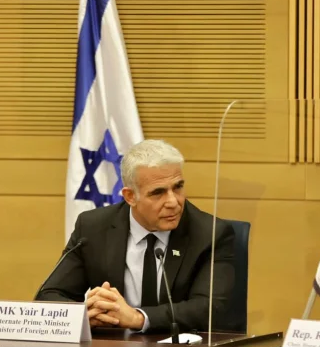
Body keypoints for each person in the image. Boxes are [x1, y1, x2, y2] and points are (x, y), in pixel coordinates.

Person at [35, 139, 235, 332]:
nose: (173, 202)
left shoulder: (211, 234)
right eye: (158, 193)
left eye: (178, 187)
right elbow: (49, 295)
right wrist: (84, 313)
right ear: (130, 196)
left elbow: (210, 308)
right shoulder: (93, 228)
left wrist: (137, 318)